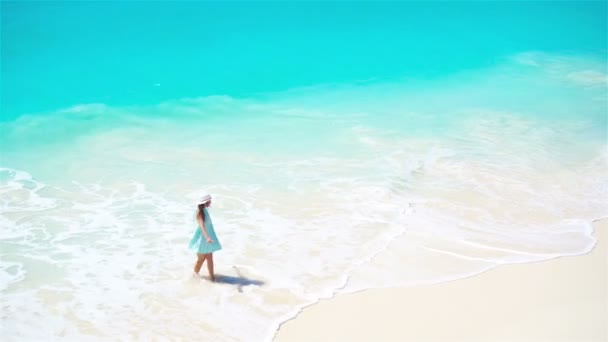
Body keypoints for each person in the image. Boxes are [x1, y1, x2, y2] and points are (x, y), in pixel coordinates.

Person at [189, 194, 222, 281]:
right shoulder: (200, 213)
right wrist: (207, 237)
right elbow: (202, 226)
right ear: (206, 202)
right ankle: (194, 276)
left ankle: (212, 278)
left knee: (210, 258)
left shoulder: (204, 211)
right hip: (203, 240)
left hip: (208, 239)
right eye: (209, 200)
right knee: (201, 260)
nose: (210, 202)